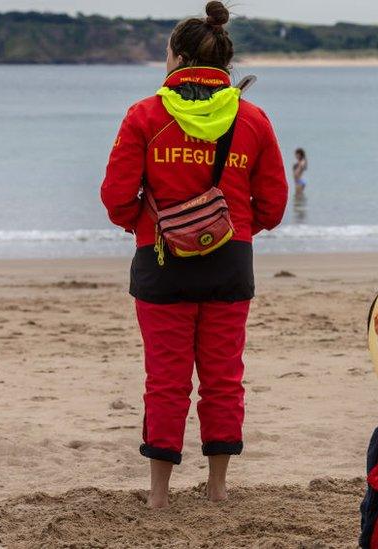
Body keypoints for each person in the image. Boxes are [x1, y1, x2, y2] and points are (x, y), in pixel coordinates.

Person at [100, 1, 288, 509]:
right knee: (224, 377)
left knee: (166, 381)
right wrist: (234, 228)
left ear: (178, 58)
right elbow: (273, 204)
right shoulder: (252, 118)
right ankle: (218, 487)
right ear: (224, 63)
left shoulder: (144, 115)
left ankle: (159, 495)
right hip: (231, 261)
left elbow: (116, 197)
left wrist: (145, 223)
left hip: (161, 262)